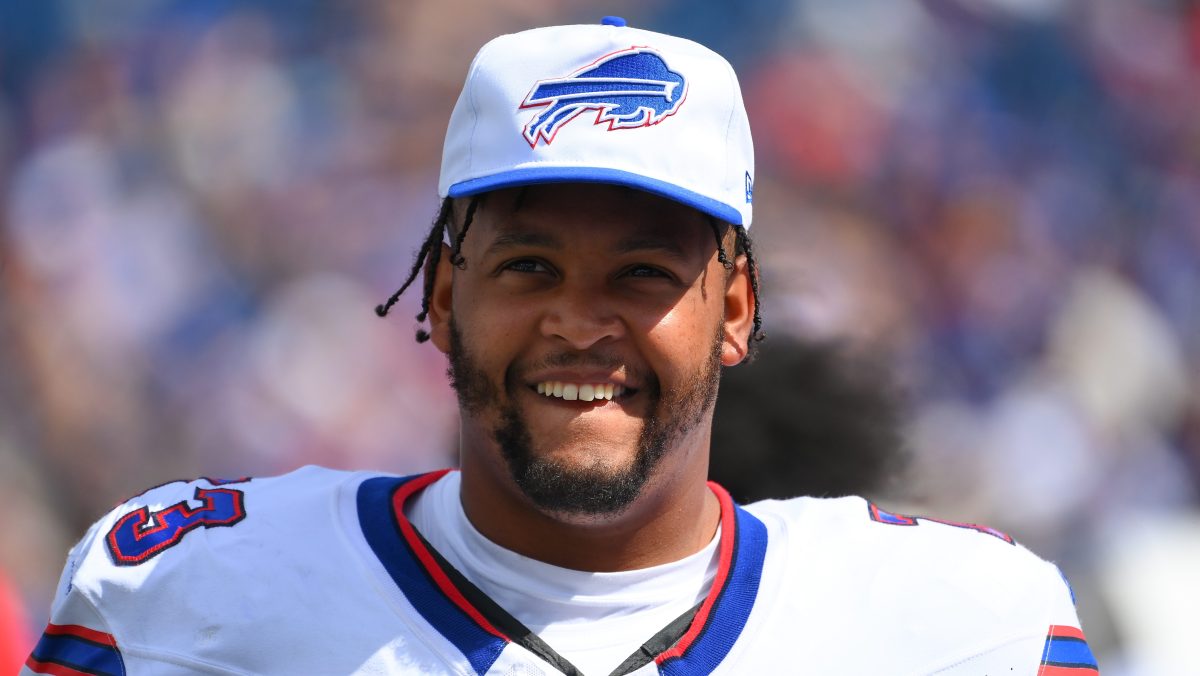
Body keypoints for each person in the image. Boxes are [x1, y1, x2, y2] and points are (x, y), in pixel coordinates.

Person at [24, 18, 1097, 676]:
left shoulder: (962, 627)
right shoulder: (186, 593)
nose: (580, 323)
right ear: (443, 297)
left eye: (643, 273)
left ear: (735, 311)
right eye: (530, 266)